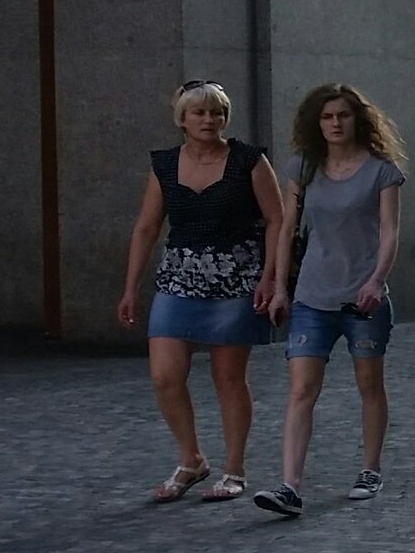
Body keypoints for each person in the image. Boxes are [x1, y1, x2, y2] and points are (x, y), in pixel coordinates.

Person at [118, 80, 288, 503]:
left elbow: (277, 220)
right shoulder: (164, 165)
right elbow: (146, 226)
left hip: (237, 278)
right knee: (164, 375)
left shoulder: (249, 160)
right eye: (200, 113)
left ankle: (234, 469)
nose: (209, 120)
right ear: (183, 119)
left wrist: (270, 276)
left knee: (228, 378)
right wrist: (130, 287)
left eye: (217, 113)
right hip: (179, 277)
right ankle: (191, 458)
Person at [251, 84, 406, 518]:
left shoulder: (382, 171)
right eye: (327, 117)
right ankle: (289, 486)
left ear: (358, 119)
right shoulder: (303, 168)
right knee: (301, 389)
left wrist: (377, 280)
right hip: (312, 297)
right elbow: (285, 229)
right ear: (315, 124)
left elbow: (391, 232)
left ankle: (369, 469)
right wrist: (281, 287)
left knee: (368, 385)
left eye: (343, 115)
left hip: (363, 298)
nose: (335, 124)